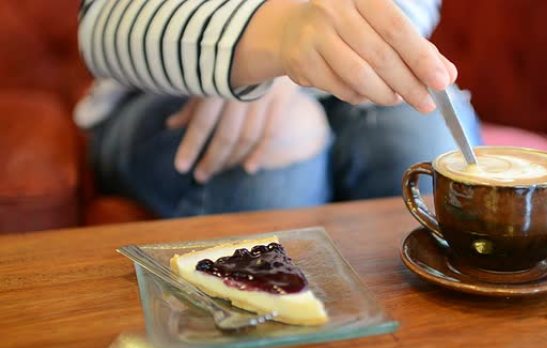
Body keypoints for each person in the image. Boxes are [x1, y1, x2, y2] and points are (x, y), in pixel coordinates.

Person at [76, 0, 482, 217]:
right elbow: (103, 23)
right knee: (271, 166)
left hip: (335, 77)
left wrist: (291, 73)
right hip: (165, 84)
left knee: (429, 143)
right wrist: (265, 45)